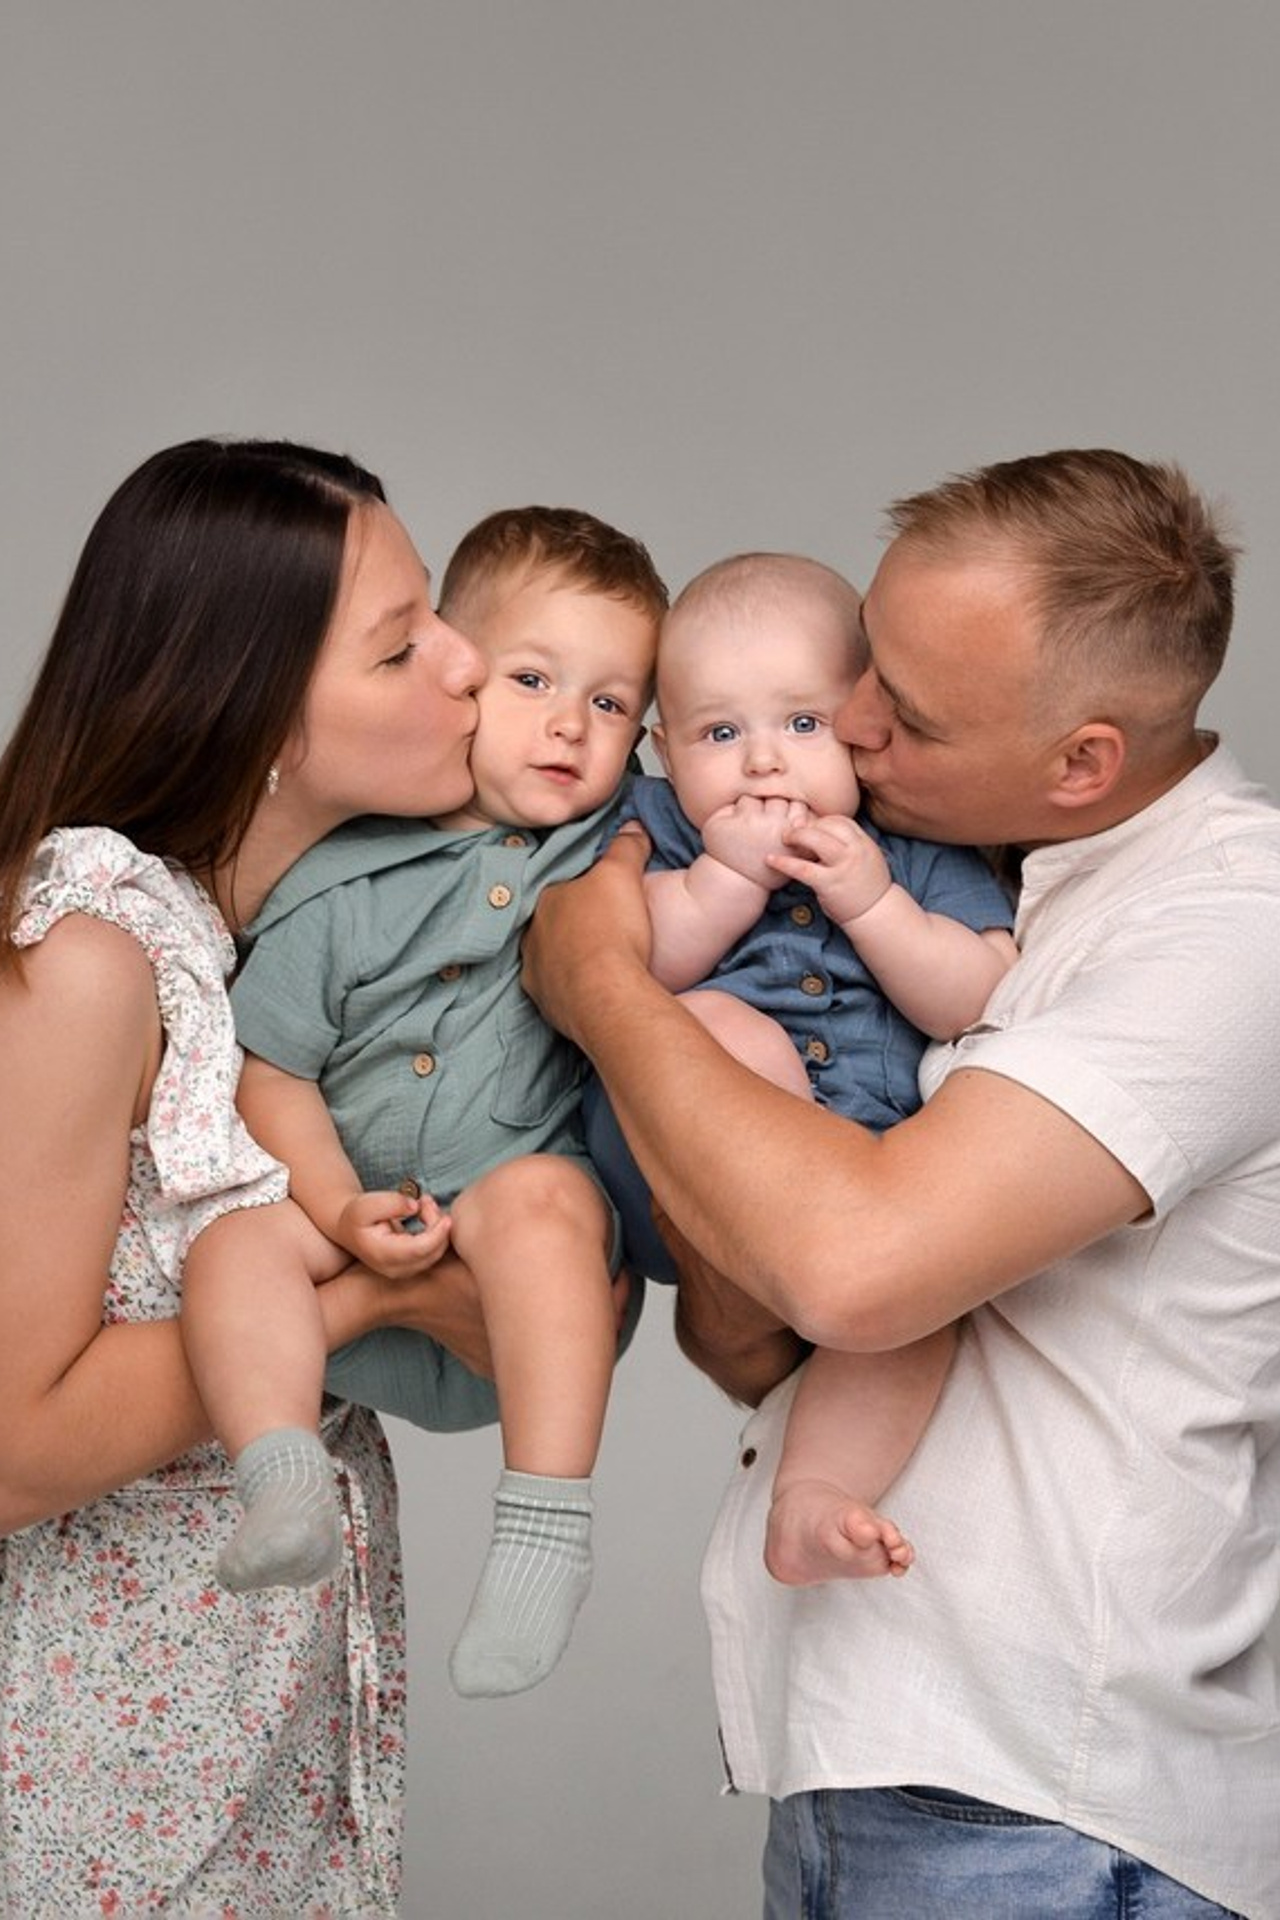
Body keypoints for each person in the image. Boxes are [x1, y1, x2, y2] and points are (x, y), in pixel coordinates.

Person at [522, 450, 1280, 1919]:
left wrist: (605, 986)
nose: (849, 728)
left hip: (1049, 1813)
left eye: (902, 712)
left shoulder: (1232, 929)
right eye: (867, 663)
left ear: (1085, 761)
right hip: (863, 1757)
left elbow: (855, 1271)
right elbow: (745, 1334)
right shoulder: (982, 876)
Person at [0, 436, 501, 1915]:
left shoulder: (270, 965)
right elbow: (13, 1447)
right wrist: (346, 1308)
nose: (471, 663)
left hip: (261, 1772)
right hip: (99, 1807)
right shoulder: (90, 957)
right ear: (263, 715)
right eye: (407, 645)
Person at [195, 506, 664, 1697]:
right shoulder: (341, 875)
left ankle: (544, 1526)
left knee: (549, 1195)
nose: (570, 722)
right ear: (456, 676)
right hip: (344, 1294)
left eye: (611, 704)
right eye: (532, 678)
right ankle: (280, 1469)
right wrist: (338, 1207)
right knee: (238, 1240)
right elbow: (275, 1071)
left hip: (513, 1316)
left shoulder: (622, 844)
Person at [587, 551, 1016, 1582]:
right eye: (720, 733)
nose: (763, 764)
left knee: (917, 1309)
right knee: (713, 1027)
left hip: (862, 1200)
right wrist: (721, 886)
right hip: (687, 1165)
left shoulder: (907, 847)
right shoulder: (659, 830)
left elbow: (973, 997)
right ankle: (806, 1219)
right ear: (661, 748)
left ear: (863, 727)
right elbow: (611, 964)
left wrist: (873, 905)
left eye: (801, 724)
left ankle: (813, 1495)